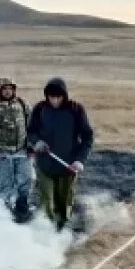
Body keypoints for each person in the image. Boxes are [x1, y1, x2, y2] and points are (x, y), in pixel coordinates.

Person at [26, 78, 94, 231]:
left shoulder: (76, 110)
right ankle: (48, 234)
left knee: (64, 205)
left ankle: (62, 230)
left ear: (64, 96)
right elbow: (31, 131)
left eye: (58, 97)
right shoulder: (40, 109)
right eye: (52, 97)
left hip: (67, 167)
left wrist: (80, 160)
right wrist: (37, 142)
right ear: (47, 96)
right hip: (44, 165)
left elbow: (87, 137)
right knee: (46, 203)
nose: (55, 101)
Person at [0, 77, 34, 221]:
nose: (8, 91)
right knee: (5, 183)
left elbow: (32, 127)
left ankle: (22, 206)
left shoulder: (23, 105)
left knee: (27, 178)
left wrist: (31, 146)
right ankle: (4, 213)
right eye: (4, 89)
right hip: (2, 153)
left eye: (10, 88)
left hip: (22, 151)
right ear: (0, 91)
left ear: (14, 90)